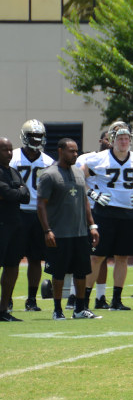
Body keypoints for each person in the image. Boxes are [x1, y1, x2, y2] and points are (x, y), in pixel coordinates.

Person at [80, 122, 133, 311]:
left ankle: (117, 300)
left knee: (122, 257)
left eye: (126, 138)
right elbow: (79, 177)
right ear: (112, 140)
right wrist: (91, 193)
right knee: (97, 257)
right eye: (120, 138)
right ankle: (84, 299)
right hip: (105, 212)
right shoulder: (99, 159)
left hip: (129, 214)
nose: (123, 141)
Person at [36, 138, 101, 320]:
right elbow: (41, 205)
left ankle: (79, 309)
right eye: (71, 151)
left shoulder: (79, 173)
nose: (75, 154)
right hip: (60, 233)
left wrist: (92, 225)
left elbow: (85, 202)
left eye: (76, 151)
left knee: (81, 272)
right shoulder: (49, 175)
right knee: (59, 273)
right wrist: (47, 230)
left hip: (80, 232)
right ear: (60, 151)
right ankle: (57, 309)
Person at [12, 119, 54, 312]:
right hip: (16, 212)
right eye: (32, 136)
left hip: (38, 214)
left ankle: (31, 299)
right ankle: (7, 299)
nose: (36, 140)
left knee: (36, 258)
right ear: (24, 136)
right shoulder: (12, 158)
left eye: (39, 137)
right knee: (10, 258)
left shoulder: (48, 162)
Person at [78, 126, 113, 309]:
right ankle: (76, 295)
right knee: (83, 255)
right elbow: (77, 180)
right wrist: (92, 194)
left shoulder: (120, 160)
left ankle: (100, 297)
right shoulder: (87, 159)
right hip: (87, 210)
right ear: (101, 141)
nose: (111, 142)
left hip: (105, 213)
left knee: (101, 255)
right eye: (108, 138)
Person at [0, 137, 29, 320]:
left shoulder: (13, 172)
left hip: (15, 224)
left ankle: (4, 309)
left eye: (11, 149)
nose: (9, 153)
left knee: (12, 266)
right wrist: (16, 192)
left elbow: (26, 195)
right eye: (5, 150)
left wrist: (15, 192)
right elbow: (6, 193)